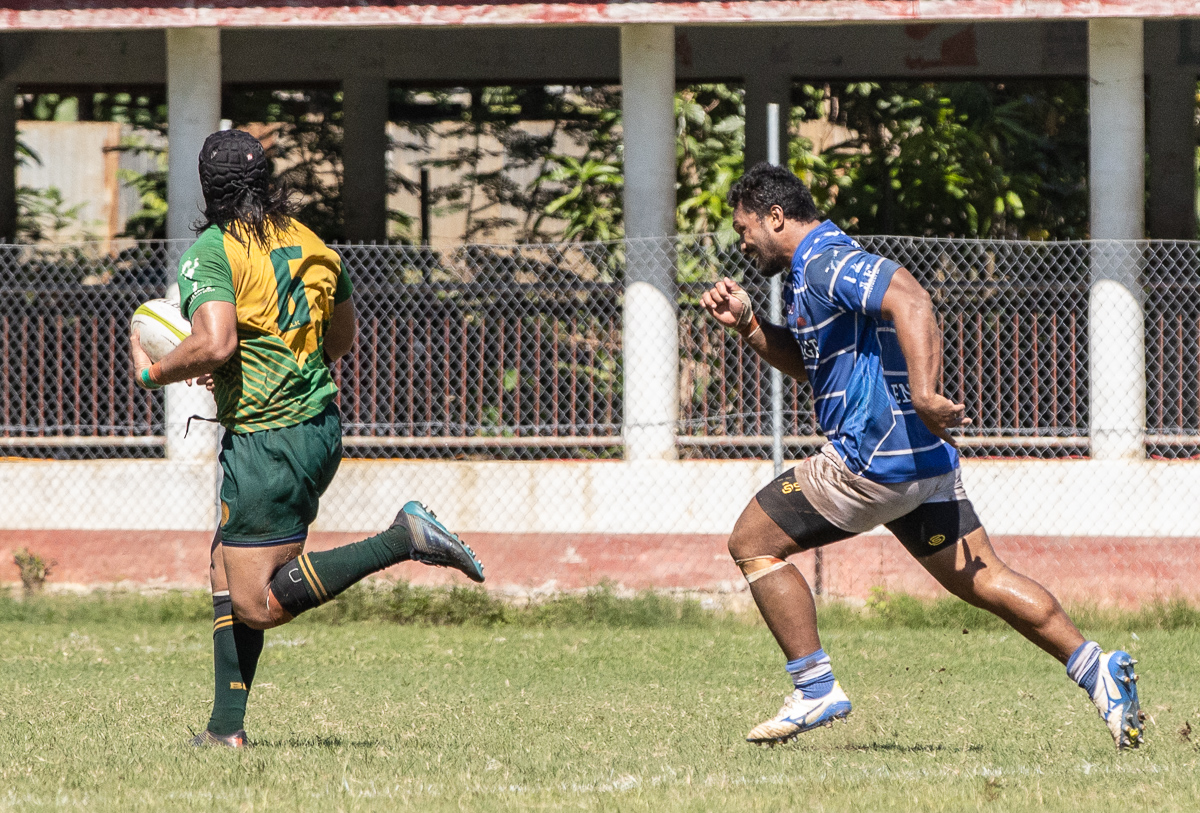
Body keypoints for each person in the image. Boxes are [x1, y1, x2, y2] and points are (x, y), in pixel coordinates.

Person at [701, 163, 1143, 750]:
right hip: (922, 466)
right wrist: (751, 325)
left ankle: (814, 687)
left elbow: (910, 297)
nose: (742, 242)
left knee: (752, 543)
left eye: (744, 228)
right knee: (986, 579)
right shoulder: (811, 277)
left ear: (775, 216)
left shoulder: (826, 258)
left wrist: (926, 393)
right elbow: (815, 364)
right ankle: (1097, 670)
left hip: (871, 460)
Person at [129, 129, 485, 748]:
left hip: (268, 439)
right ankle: (224, 732)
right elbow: (340, 340)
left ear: (206, 187)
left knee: (259, 603)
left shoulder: (211, 251)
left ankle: (404, 538)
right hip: (317, 428)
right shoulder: (312, 243)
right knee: (224, 565)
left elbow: (215, 342)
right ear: (266, 180)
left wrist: (152, 369)